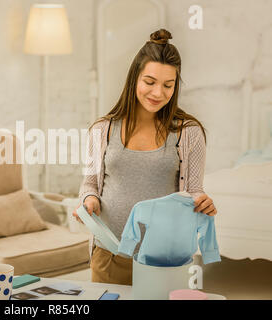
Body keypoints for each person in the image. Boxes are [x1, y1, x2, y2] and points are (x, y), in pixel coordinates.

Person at [72, 28, 218, 286]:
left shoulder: (189, 133)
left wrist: (202, 202)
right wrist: (90, 199)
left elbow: (193, 191)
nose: (158, 93)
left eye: (168, 85)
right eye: (149, 82)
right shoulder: (102, 129)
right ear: (134, 79)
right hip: (109, 253)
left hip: (165, 260)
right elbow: (91, 182)